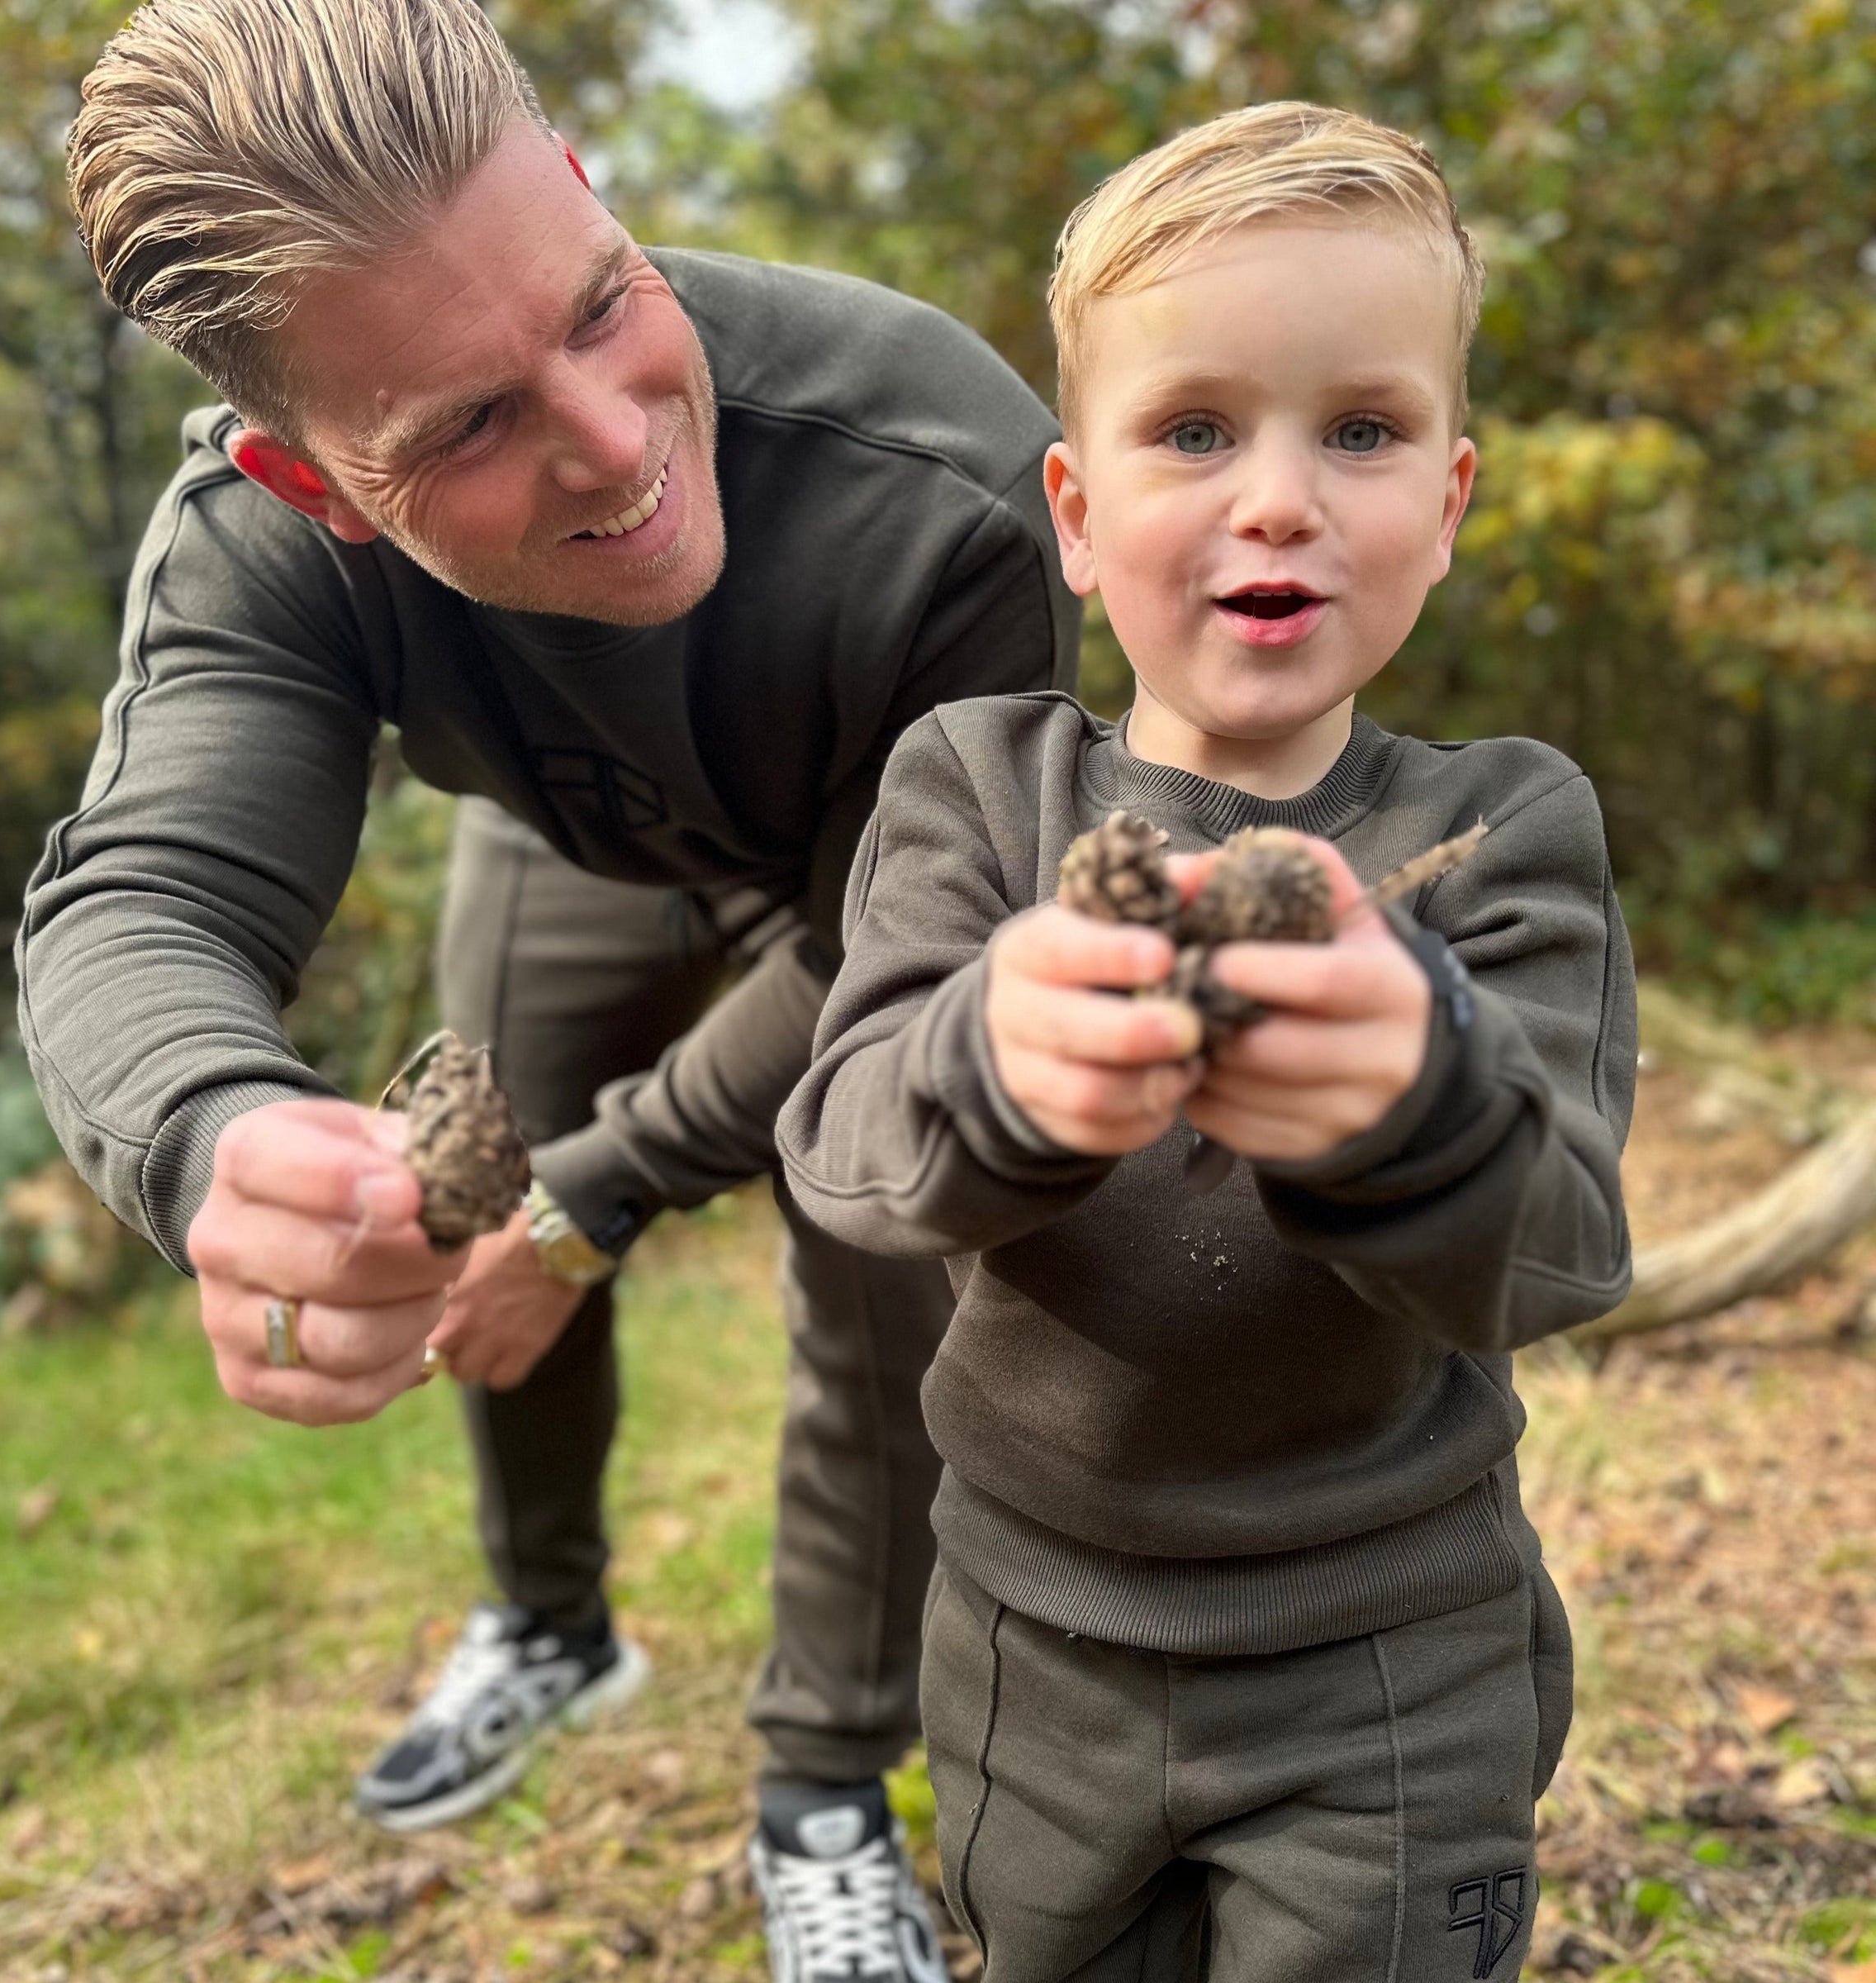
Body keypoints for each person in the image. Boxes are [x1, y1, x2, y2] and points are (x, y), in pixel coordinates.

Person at [20, 0, 1078, 1971]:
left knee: (879, 1216)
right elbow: (139, 899)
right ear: (315, 479)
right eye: (469, 429)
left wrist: (597, 1195)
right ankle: (551, 1621)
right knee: (456, 1174)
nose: (615, 447)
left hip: (878, 897)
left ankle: (829, 1782)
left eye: (597, 310)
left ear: (584, 186)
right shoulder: (265, 545)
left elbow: (878, 971)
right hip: (567, 836)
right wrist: (214, 1140)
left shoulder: (937, 477)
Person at [777, 102, 1636, 1981]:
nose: (1277, 499)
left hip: (1386, 1659)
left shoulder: (1504, 832)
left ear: (1451, 500)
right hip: (1031, 1640)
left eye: (1361, 431)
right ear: (1075, 518)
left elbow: (1564, 1246)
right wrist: (1002, 1058)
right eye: (1193, 431)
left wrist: (1415, 1096)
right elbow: (845, 1148)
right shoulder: (978, 792)